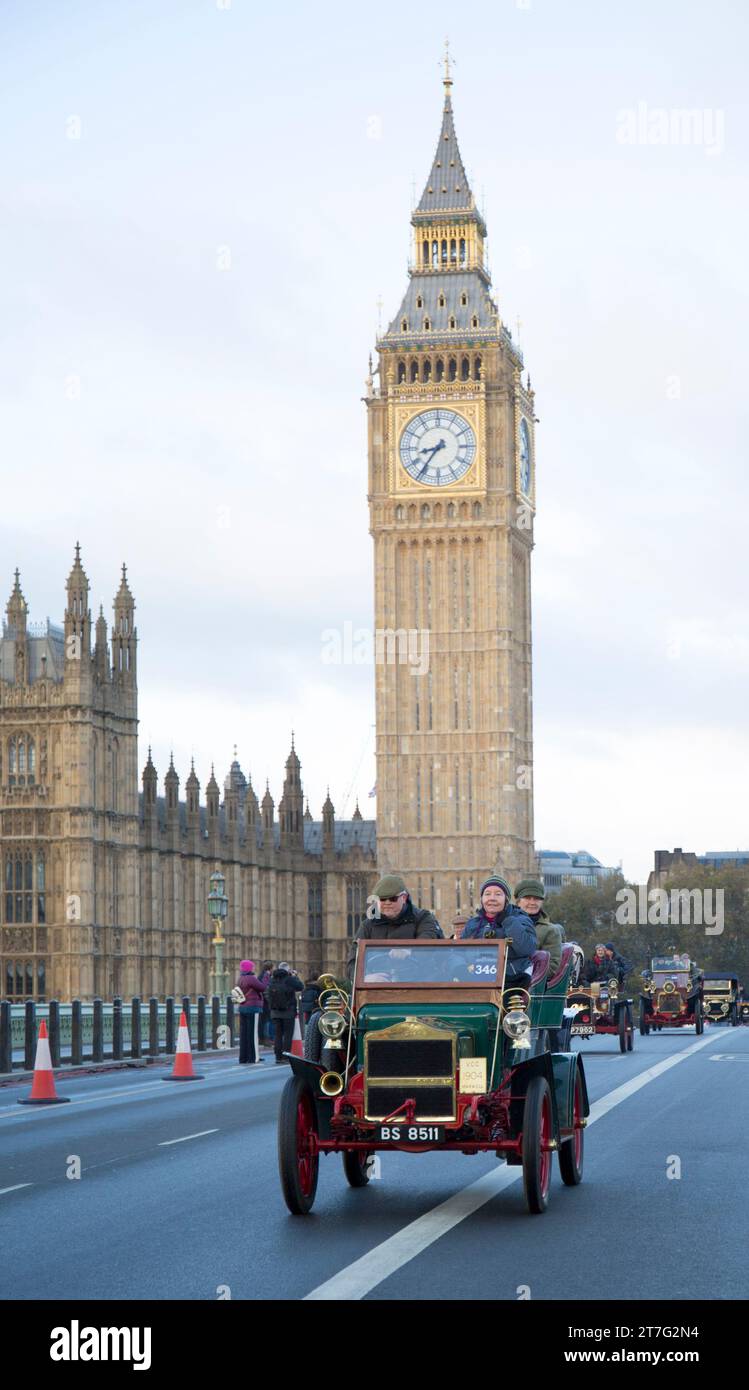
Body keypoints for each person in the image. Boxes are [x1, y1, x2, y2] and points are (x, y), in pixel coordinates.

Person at [346, 873, 442, 977]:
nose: (387, 902)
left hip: (418, 984)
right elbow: (353, 962)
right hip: (378, 987)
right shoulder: (368, 925)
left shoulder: (423, 918)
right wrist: (366, 978)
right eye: (382, 899)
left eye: (393, 898)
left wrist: (409, 951)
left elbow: (428, 945)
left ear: (404, 898)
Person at [462, 876, 537, 985]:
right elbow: (459, 952)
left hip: (512, 979)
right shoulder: (473, 924)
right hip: (477, 978)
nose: (492, 898)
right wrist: (458, 967)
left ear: (506, 899)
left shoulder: (520, 919)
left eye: (498, 894)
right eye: (487, 894)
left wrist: (507, 921)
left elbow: (527, 948)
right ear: (482, 899)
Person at [514, 878, 564, 975]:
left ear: (541, 902)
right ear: (518, 901)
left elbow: (552, 967)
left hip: (531, 985)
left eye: (536, 899)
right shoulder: (505, 925)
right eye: (528, 898)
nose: (532, 902)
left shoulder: (551, 931)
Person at [268, 961, 304, 1063]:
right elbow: (301, 987)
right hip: (288, 1011)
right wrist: (295, 976)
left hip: (275, 1012)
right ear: (287, 970)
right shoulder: (289, 979)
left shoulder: (273, 979)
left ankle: (278, 1057)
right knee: (288, 1035)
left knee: (278, 1035)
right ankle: (285, 1056)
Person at [236, 959, 267, 1065]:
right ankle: (253, 1057)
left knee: (244, 1034)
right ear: (249, 968)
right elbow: (263, 987)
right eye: (252, 967)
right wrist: (266, 978)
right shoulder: (251, 978)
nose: (253, 968)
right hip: (252, 1008)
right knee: (252, 1034)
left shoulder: (240, 979)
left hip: (243, 1008)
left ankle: (243, 1058)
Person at [258, 960, 274, 1046]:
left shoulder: (261, 975)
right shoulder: (266, 976)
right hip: (265, 1002)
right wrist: (270, 1000)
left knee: (264, 1021)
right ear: (270, 968)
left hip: (262, 1001)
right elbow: (265, 989)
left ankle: (263, 1038)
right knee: (265, 1021)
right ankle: (265, 1039)